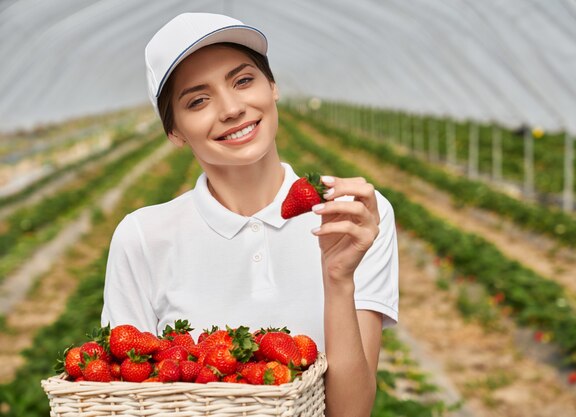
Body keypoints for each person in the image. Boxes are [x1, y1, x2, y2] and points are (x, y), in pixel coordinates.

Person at [101, 12, 398, 416]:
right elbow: (128, 402)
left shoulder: (353, 215)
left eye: (243, 80)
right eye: (197, 100)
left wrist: (338, 279)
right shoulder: (143, 237)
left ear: (273, 87)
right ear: (175, 132)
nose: (231, 109)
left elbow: (351, 412)